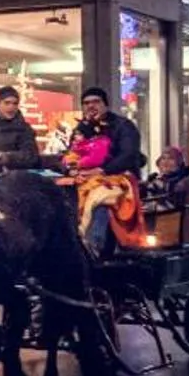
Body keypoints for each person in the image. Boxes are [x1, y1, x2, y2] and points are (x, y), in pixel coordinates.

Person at [68, 86, 147, 256]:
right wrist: (72, 169)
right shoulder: (81, 129)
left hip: (118, 178)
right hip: (85, 178)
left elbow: (128, 155)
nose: (91, 106)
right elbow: (71, 154)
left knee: (98, 198)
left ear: (106, 104)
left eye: (96, 101)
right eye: (86, 103)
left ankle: (93, 247)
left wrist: (101, 170)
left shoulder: (124, 126)